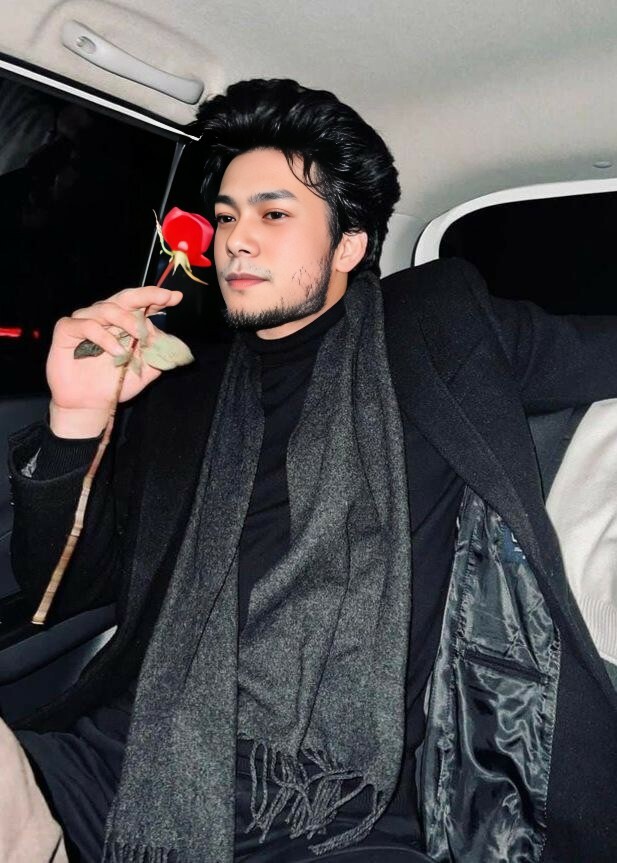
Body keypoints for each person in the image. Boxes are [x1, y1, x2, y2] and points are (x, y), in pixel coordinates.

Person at [3, 78, 617, 863]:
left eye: (273, 214)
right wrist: (77, 416)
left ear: (348, 246)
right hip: (120, 769)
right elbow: (62, 591)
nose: (236, 239)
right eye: (226, 216)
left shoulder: (437, 327)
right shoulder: (181, 394)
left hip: (343, 813)